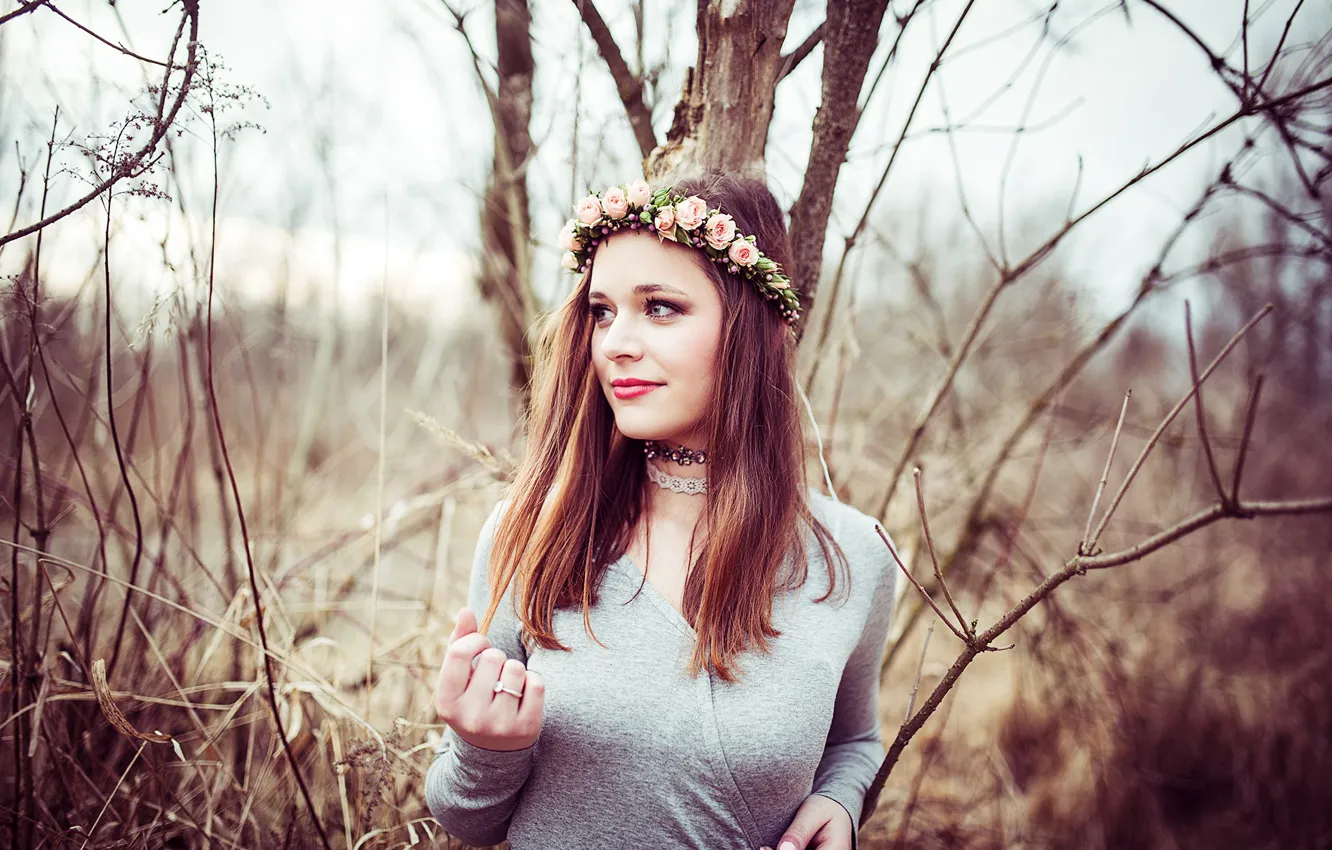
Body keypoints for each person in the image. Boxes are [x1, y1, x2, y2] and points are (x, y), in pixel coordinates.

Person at [425, 169, 899, 850]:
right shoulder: (533, 534)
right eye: (602, 310)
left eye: (661, 307)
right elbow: (467, 819)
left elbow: (855, 739)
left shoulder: (852, 556)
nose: (615, 342)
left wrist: (842, 801)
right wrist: (483, 747)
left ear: (752, 328)